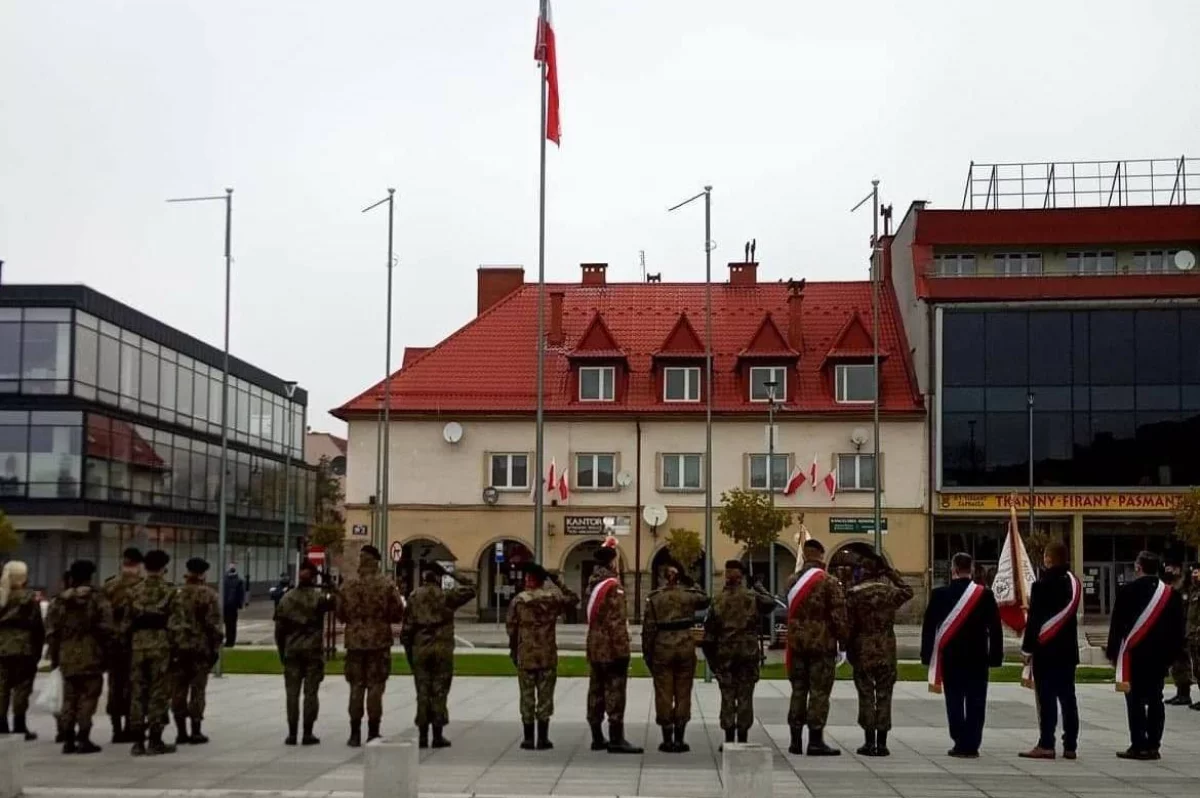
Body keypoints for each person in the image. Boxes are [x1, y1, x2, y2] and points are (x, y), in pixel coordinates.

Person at [921, 552, 1003, 758]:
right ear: (972, 569)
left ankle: (959, 740)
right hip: (977, 657)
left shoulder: (940, 594)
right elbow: (995, 628)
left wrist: (926, 655)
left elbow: (929, 627)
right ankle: (972, 743)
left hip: (951, 657)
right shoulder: (985, 595)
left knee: (954, 700)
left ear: (953, 569)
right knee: (976, 702)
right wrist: (995, 656)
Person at [1105, 550, 1186, 760]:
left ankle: (1138, 744)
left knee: (1135, 701)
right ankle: (1153, 745)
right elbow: (1179, 630)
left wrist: (1114, 654)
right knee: (1156, 700)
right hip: (1159, 659)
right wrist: (1172, 657)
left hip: (1134, 657)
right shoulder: (1171, 595)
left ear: (1138, 567)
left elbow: (1117, 626)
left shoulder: (1128, 591)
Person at [781, 538, 848, 756]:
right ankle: (815, 741)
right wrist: (844, 641)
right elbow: (839, 616)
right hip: (821, 646)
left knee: (798, 691)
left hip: (796, 645)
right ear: (820, 555)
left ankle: (795, 741)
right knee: (819, 693)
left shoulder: (791, 581)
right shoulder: (829, 582)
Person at [400, 563, 476, 749]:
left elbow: (407, 629)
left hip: (421, 648)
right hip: (442, 649)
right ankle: (437, 734)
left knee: (423, 692)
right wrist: (452, 572)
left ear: (424, 578)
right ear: (439, 579)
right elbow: (472, 588)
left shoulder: (414, 597)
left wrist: (409, 651)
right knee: (440, 691)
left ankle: (423, 735)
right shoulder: (446, 597)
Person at [845, 551, 913, 757]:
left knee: (866, 694)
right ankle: (882, 743)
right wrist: (891, 573)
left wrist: (847, 647)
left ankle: (868, 741)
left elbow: (849, 626)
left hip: (863, 648)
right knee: (884, 695)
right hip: (886, 649)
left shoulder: (854, 594)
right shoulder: (889, 593)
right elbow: (908, 590)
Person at [1018, 540, 1082, 760]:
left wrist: (1027, 649)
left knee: (1046, 699)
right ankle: (1071, 744)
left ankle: (1047, 743)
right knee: (1068, 698)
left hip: (1046, 650)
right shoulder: (1073, 584)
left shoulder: (1042, 585)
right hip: (1067, 651)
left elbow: (1035, 621)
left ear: (1048, 559)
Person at [702, 559, 776, 748]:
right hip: (747, 653)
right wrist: (759, 586)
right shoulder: (752, 597)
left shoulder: (718, 600)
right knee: (745, 695)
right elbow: (771, 603)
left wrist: (712, 661)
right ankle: (742, 737)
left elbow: (709, 635)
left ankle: (728, 737)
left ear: (727, 576)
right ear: (741, 576)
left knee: (727, 695)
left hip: (725, 654)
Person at [336, 544, 404, 747]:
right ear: (377, 561)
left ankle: (354, 733)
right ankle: (373, 731)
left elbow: (339, 613)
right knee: (376, 687)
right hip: (378, 642)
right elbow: (397, 612)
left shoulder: (348, 584)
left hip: (354, 643)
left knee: (356, 687)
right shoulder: (385, 584)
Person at [507, 562, 578, 751]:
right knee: (545, 697)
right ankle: (543, 738)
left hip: (527, 654)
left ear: (529, 580)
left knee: (527, 696)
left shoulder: (519, 600)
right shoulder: (552, 598)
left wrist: (514, 650)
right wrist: (558, 582)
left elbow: (512, 629)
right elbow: (574, 599)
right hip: (546, 654)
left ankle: (528, 738)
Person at [46, 560, 114, 754]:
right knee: (88, 697)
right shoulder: (97, 598)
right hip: (91, 652)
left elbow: (51, 628)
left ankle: (67, 737)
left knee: (69, 697)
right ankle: (83, 737)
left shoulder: (59, 600)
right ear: (90, 576)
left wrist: (55, 652)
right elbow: (107, 628)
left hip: (66, 653)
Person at [642, 558, 709, 753]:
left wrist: (648, 654)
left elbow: (648, 629)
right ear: (679, 578)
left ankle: (667, 736)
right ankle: (680, 737)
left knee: (663, 691)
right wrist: (692, 582)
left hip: (662, 645)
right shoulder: (689, 596)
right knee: (683, 691)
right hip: (685, 644)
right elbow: (705, 598)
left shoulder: (655, 598)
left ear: (663, 578)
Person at [583, 542, 642, 754]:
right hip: (611, 648)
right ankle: (617, 738)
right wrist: (622, 652)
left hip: (595, 646)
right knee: (615, 692)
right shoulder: (612, 586)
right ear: (612, 561)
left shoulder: (591, 584)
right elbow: (616, 621)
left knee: (595, 691)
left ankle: (597, 736)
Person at [275, 559, 337, 746]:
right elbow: (335, 602)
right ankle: (308, 732)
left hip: (292, 650)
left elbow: (279, 629)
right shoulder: (318, 598)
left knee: (292, 693)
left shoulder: (287, 598)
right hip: (312, 651)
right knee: (311, 693)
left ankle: (292, 733)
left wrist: (281, 651)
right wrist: (330, 584)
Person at [127, 549, 178, 756]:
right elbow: (177, 623)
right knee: (159, 693)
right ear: (164, 568)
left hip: (138, 646)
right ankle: (155, 739)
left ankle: (138, 740)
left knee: (138, 693)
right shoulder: (170, 591)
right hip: (161, 646)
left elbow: (124, 623)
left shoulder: (134, 591)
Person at [168, 557, 222, 746]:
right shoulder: (208, 595)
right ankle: (196, 730)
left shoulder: (176, 594)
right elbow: (213, 625)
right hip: (200, 649)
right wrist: (215, 648)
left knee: (178, 690)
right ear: (203, 574)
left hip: (178, 649)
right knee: (198, 690)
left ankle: (181, 731)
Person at [0, 560, 46, 740]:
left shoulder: (2, 597)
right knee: (22, 686)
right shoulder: (28, 598)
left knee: (1, 686)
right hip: (23, 647)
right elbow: (37, 626)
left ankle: (1, 722)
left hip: (1, 646)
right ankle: (19, 723)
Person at [103, 547, 143, 743]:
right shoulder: (141, 587)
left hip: (113, 644)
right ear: (139, 565)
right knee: (135, 686)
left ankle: (116, 728)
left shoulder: (110, 586)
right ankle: (131, 725)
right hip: (136, 644)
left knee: (115, 685)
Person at [1163, 556, 1192, 706]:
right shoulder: (1169, 586)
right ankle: (1179, 692)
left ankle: (1185, 693)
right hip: (1172, 630)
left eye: (1171, 568)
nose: (1168, 571)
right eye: (1167, 568)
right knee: (1175, 664)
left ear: (1178, 569)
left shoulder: (1185, 587)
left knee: (1182, 663)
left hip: (1183, 630)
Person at [222, 565, 247, 648]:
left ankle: (230, 641)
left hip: (229, 605)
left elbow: (241, 593)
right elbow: (241, 593)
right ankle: (230, 640)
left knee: (230, 624)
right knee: (230, 624)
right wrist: (241, 604)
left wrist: (241, 604)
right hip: (230, 605)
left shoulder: (226, 579)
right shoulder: (238, 580)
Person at [1188, 563, 1200, 712]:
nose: (1194, 575)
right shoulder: (1194, 591)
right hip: (1193, 635)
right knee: (1196, 668)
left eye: (1197, 572)